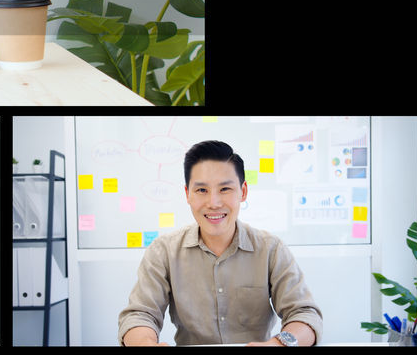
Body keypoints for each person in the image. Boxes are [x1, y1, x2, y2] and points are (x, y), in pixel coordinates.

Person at [117, 140, 324, 346]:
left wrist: (279, 344)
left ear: (242, 192)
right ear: (187, 193)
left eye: (225, 189)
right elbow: (139, 315)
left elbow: (305, 314)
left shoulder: (271, 249)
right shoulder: (163, 252)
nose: (214, 203)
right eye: (201, 190)